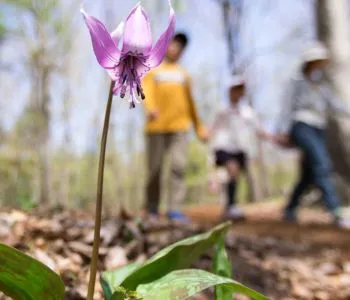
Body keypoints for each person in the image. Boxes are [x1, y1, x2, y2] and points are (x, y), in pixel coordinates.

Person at [275, 41, 350, 226]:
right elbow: (287, 106)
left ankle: (289, 208)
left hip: (318, 128)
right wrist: (283, 130)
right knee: (322, 163)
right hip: (301, 125)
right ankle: (336, 211)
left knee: (309, 173)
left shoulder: (320, 86)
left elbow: (335, 105)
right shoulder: (296, 81)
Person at [142, 32, 208, 221]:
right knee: (154, 169)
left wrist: (199, 128)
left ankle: (174, 208)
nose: (175, 49)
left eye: (180, 47)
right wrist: (150, 107)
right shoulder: (153, 70)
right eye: (173, 44)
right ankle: (152, 208)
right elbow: (146, 90)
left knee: (178, 166)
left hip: (180, 127)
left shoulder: (184, 74)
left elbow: (191, 104)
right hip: (157, 126)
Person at [210, 75, 271, 220]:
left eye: (241, 90)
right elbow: (212, 128)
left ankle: (229, 206)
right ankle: (231, 206)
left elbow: (259, 131)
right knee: (232, 169)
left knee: (234, 175)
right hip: (223, 146)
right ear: (230, 91)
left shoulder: (248, 112)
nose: (238, 93)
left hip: (240, 149)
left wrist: (276, 138)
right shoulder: (222, 110)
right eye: (235, 89)